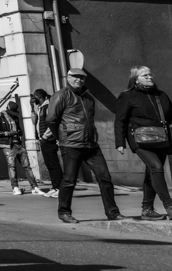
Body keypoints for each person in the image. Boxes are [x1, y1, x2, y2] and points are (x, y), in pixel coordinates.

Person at [44, 64, 122, 224]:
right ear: (68, 78)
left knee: (105, 178)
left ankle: (113, 213)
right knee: (69, 180)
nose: (79, 80)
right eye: (75, 77)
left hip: (91, 145)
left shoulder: (88, 98)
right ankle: (64, 212)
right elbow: (51, 119)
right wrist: (61, 136)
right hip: (71, 144)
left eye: (82, 78)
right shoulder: (61, 95)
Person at [113, 65, 172, 221]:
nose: (149, 77)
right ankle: (169, 205)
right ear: (135, 79)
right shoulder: (127, 96)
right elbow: (120, 120)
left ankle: (147, 209)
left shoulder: (161, 95)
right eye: (145, 75)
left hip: (160, 139)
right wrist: (120, 142)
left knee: (151, 173)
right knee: (156, 167)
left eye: (150, 74)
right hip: (139, 139)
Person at [0, 98, 44, 196]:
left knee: (27, 166)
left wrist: (20, 132)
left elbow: (19, 128)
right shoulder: (0, 116)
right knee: (12, 167)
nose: (13, 114)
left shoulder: (15, 116)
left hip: (19, 144)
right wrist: (8, 133)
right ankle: (15, 187)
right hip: (8, 145)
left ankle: (34, 187)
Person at [30, 89, 62, 198]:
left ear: (39, 97)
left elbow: (52, 123)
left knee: (53, 164)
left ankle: (59, 188)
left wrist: (45, 136)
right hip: (44, 139)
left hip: (49, 139)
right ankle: (55, 187)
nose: (33, 99)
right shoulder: (40, 108)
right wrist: (32, 108)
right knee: (49, 164)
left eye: (34, 97)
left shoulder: (48, 106)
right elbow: (34, 122)